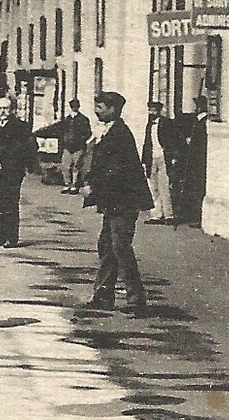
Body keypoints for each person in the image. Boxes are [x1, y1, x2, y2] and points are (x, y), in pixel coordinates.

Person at [81, 91, 156, 317]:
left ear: (113, 110)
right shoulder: (111, 131)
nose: (96, 111)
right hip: (116, 201)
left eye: (100, 107)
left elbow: (115, 171)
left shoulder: (119, 134)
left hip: (124, 201)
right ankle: (104, 295)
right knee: (108, 245)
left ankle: (136, 298)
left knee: (120, 247)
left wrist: (94, 188)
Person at [0, 96, 38, 247]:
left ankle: (12, 237)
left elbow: (24, 147)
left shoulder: (20, 126)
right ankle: (0, 235)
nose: (2, 112)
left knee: (9, 203)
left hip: (12, 170)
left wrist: (0, 153)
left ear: (12, 110)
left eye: (5, 108)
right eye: (0, 109)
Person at [36, 97, 92, 194]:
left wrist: (80, 140)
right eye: (73, 106)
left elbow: (88, 133)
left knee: (76, 167)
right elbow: (56, 128)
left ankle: (74, 186)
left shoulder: (83, 119)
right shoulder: (67, 120)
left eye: (76, 106)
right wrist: (40, 132)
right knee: (65, 166)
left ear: (78, 107)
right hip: (67, 147)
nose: (74, 108)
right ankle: (67, 184)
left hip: (78, 147)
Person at [175, 95, 211, 227]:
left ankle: (199, 217)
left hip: (199, 160)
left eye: (197, 106)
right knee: (193, 187)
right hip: (192, 160)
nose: (196, 108)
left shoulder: (204, 121)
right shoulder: (195, 121)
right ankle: (192, 214)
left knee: (199, 188)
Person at [140, 101, 176, 224]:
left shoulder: (167, 123)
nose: (152, 112)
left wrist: (173, 156)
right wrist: (144, 160)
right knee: (153, 187)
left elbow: (173, 141)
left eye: (154, 110)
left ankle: (169, 215)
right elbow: (147, 143)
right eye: (150, 110)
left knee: (164, 186)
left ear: (159, 111)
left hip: (163, 158)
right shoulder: (149, 125)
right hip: (152, 159)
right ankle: (156, 215)